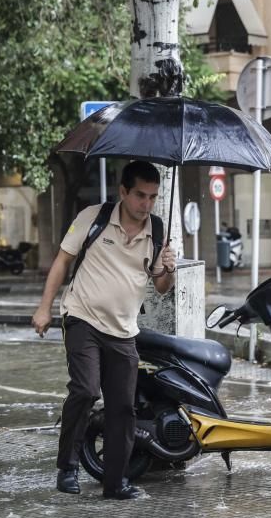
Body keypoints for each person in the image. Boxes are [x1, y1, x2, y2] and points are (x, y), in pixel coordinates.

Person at [32, 161, 176, 500]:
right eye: (140, 195)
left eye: (153, 197)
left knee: (123, 407)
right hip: (82, 316)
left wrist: (169, 269)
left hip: (123, 330)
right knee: (84, 390)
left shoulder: (157, 229)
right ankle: (67, 467)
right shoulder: (93, 217)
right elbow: (62, 262)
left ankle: (115, 482)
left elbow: (162, 286)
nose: (146, 203)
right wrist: (44, 308)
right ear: (123, 191)